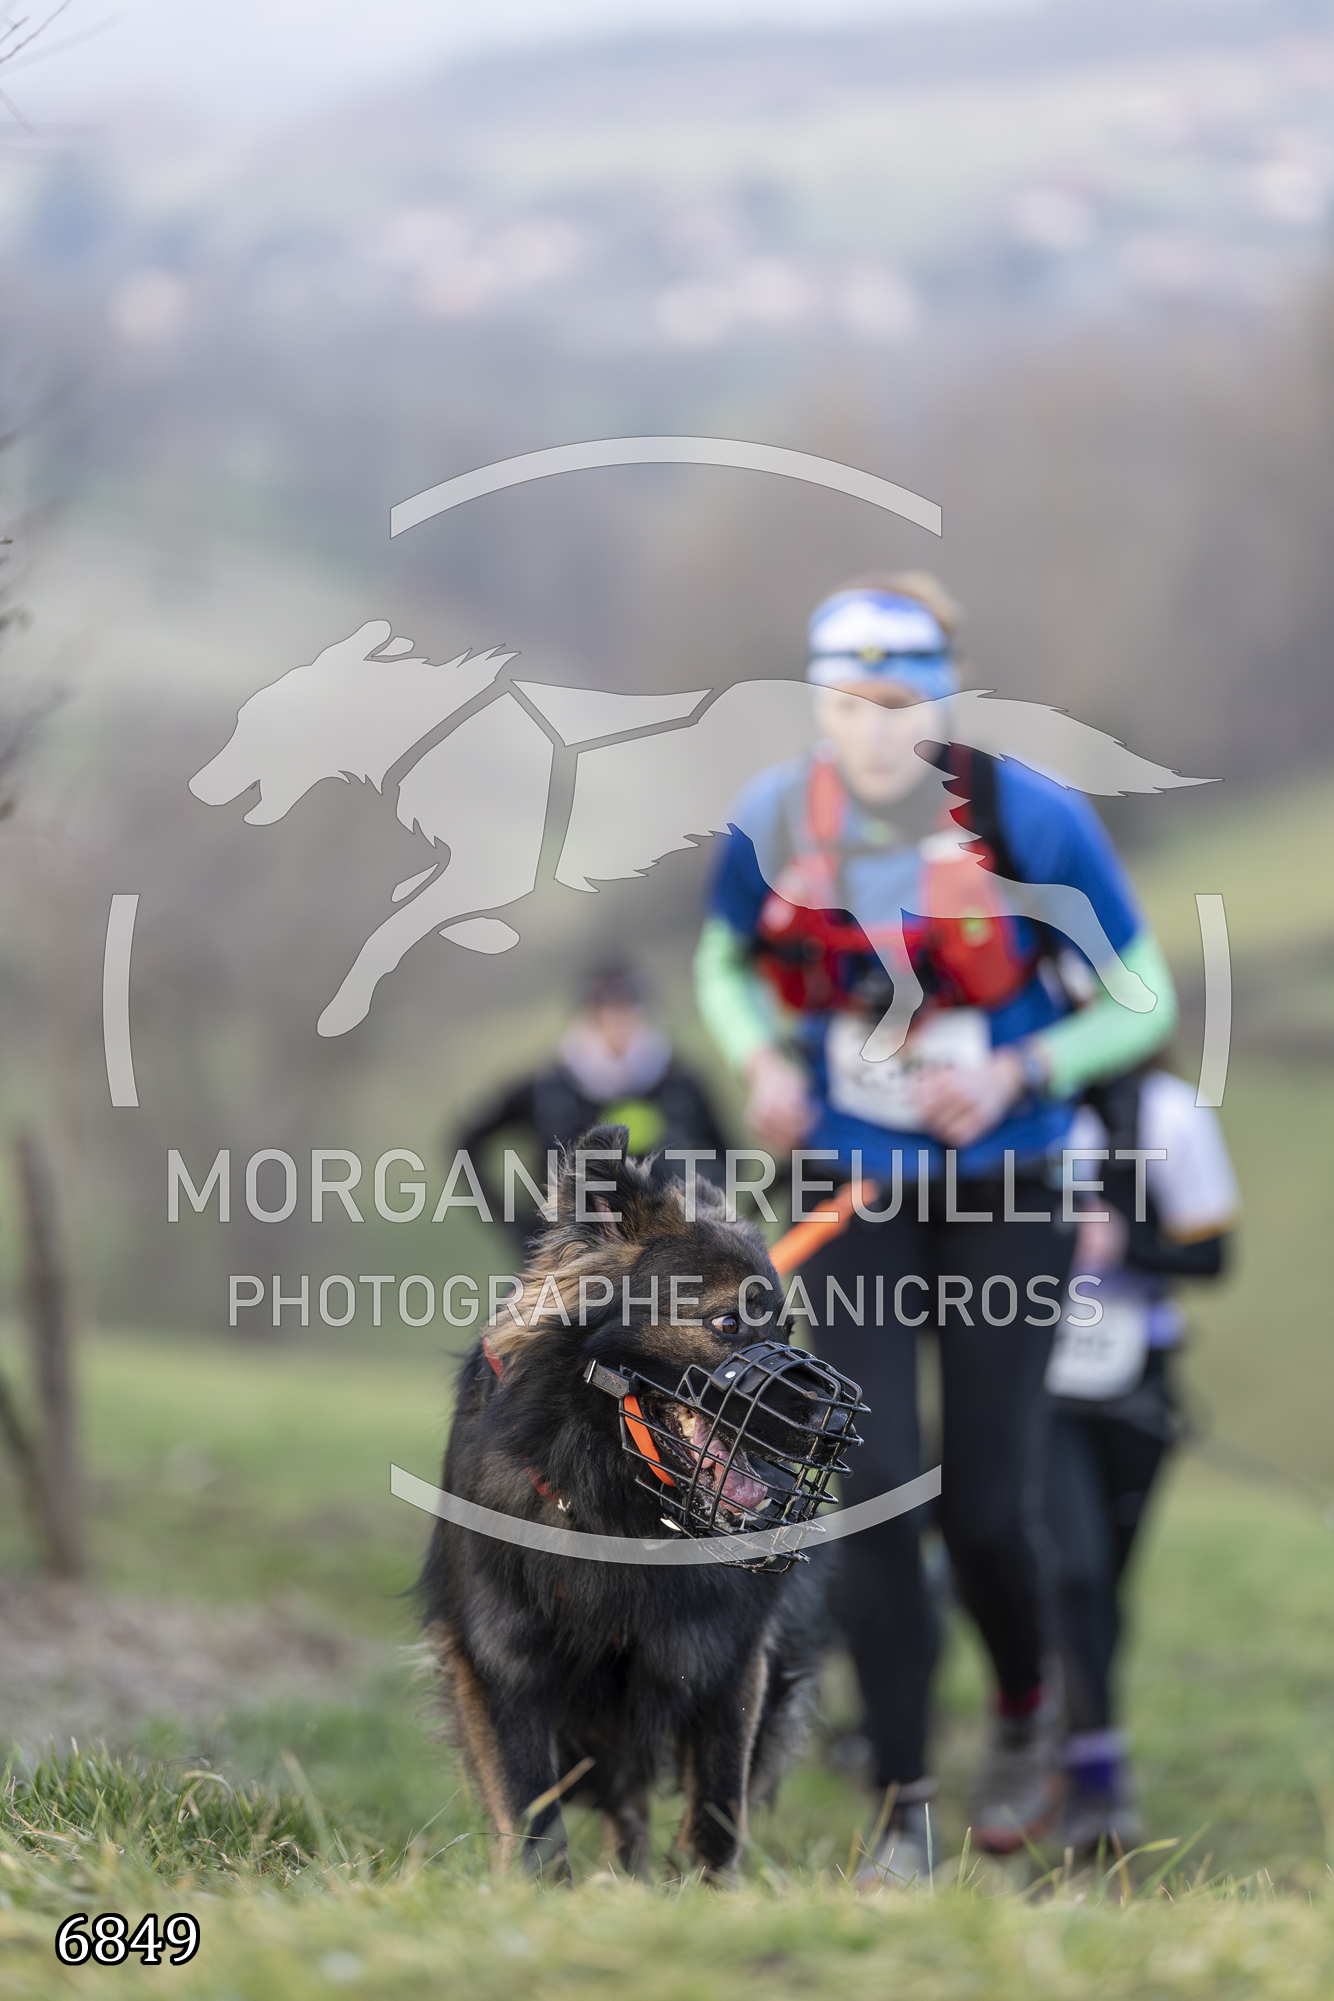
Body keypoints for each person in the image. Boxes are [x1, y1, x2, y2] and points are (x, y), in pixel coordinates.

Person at [693, 571, 1180, 1882]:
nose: (872, 732)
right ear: (816, 706)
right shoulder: (770, 818)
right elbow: (723, 962)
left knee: (983, 1509)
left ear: (943, 701)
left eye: (897, 704)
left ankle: (1024, 1703)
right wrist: (762, 1059)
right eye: (847, 705)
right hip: (853, 1188)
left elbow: (1140, 994)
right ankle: (900, 1806)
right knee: (867, 1488)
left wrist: (1023, 1068)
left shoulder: (1029, 819)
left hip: (1007, 1186)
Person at [1045, 1066, 1238, 1852]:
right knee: (1073, 1569)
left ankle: (1075, 1735)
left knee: (1106, 1582)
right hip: (1035, 1380)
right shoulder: (1008, 1100)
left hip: (1135, 1383)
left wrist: (1127, 1241)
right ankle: (1095, 1776)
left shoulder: (1169, 1113)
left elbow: (1213, 1253)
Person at [454, 961, 728, 1251]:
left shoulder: (678, 1082)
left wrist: (702, 1215)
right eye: (604, 1008)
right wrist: (519, 1227)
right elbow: (466, 1143)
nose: (616, 1019)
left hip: (670, 1252)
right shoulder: (548, 1088)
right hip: (571, 1255)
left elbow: (727, 1153)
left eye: (626, 1005)